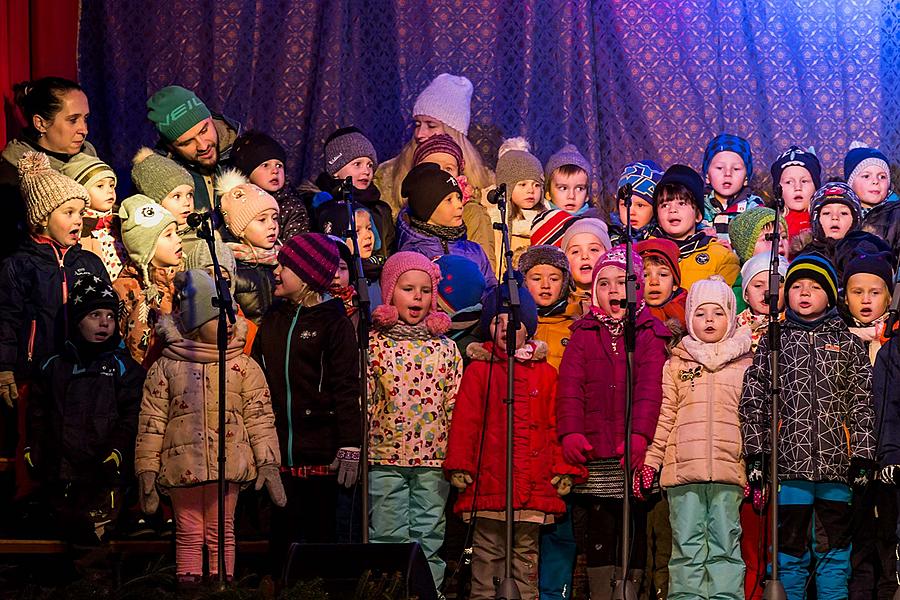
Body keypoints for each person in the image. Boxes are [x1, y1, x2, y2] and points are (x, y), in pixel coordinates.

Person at [740, 253, 875, 600]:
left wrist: (862, 455)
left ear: (830, 295)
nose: (804, 293)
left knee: (833, 549)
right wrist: (758, 454)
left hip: (836, 467)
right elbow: (755, 400)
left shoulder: (847, 344)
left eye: (814, 287)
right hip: (789, 466)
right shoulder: (774, 341)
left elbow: (861, 402)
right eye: (796, 286)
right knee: (790, 549)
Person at [135, 269, 284, 586]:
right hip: (182, 466)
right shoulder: (166, 366)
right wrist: (146, 471)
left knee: (221, 528)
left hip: (227, 463)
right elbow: (151, 423)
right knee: (188, 529)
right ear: (194, 324)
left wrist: (268, 462)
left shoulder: (242, 365)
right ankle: (189, 585)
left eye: (230, 316)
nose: (228, 324)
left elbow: (259, 417)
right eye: (218, 318)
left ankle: (223, 585)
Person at [444, 280, 579, 600]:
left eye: (514, 322)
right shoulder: (479, 371)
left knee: (525, 557)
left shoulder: (546, 373)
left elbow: (553, 423)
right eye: (497, 321)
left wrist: (562, 467)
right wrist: (461, 464)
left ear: (528, 328)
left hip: (532, 483)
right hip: (489, 485)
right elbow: (466, 422)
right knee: (487, 556)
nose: (506, 328)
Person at [556, 245, 670, 598]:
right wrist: (570, 431)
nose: (613, 291)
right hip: (595, 452)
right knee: (600, 530)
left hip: (630, 454)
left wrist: (639, 435)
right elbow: (570, 388)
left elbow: (651, 388)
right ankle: (603, 591)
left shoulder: (650, 332)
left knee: (632, 527)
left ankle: (629, 590)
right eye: (603, 284)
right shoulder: (584, 333)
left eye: (621, 283)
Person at [251, 234, 361, 577]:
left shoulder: (334, 323)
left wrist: (350, 443)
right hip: (278, 450)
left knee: (319, 539)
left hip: (320, 456)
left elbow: (346, 386)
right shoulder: (275, 317)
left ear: (309, 275)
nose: (276, 271)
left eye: (285, 266)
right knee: (280, 541)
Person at [638, 276, 752, 600]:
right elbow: (665, 416)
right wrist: (652, 461)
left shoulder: (745, 363)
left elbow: (753, 422)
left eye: (717, 313)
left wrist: (758, 468)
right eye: (701, 314)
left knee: (725, 545)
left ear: (730, 316)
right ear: (689, 319)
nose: (709, 321)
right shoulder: (676, 363)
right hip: (683, 474)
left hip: (729, 473)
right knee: (686, 546)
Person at [367, 252, 462, 590]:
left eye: (425, 290)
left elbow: (454, 402)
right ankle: (389, 592)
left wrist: (457, 454)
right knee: (387, 531)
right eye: (408, 288)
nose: (418, 297)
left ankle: (427, 591)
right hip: (384, 454)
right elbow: (365, 399)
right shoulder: (374, 345)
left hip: (434, 457)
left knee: (429, 532)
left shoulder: (446, 349)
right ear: (390, 292)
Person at [24, 273, 144, 542]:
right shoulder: (54, 365)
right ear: (78, 321)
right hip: (61, 471)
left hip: (105, 470)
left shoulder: (123, 368)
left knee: (97, 541)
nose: (104, 323)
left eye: (111, 316)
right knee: (65, 537)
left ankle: (98, 583)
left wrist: (117, 450)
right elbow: (39, 412)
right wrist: (34, 446)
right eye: (95, 315)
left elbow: (132, 415)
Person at [0, 152, 108, 409]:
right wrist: (4, 369)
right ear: (42, 218)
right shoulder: (19, 265)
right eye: (68, 212)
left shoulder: (89, 263)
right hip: (35, 376)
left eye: (81, 212)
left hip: (84, 372)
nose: (78, 220)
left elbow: (109, 312)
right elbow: (6, 321)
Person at [375, 73, 493, 219]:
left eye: (431, 126)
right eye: (417, 124)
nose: (419, 134)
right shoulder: (387, 175)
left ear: (454, 132)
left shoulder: (485, 181)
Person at [0, 77, 96, 258]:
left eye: (85, 119)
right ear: (41, 123)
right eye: (73, 120)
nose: (84, 129)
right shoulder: (12, 174)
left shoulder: (88, 154)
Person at [396, 161, 496, 285]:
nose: (459, 205)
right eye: (449, 200)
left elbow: (490, 288)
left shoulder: (474, 251)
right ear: (427, 208)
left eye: (458, 198)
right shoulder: (413, 255)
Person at [146, 85, 241, 213]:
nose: (203, 146)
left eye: (204, 131)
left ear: (211, 119)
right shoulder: (157, 178)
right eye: (187, 142)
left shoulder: (245, 153)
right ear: (170, 147)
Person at [113, 196, 182, 365]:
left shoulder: (182, 282)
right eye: (168, 235)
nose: (178, 239)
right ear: (146, 247)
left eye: (177, 233)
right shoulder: (124, 289)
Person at [412, 132, 495, 271]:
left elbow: (485, 269)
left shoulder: (471, 212)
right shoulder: (408, 214)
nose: (441, 174)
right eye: (432, 168)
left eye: (448, 169)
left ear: (459, 172)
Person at [653, 164, 740, 290]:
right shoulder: (644, 253)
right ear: (658, 219)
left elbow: (729, 303)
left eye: (681, 203)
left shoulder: (721, 256)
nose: (672, 210)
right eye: (665, 205)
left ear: (698, 215)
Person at [217, 170, 281, 324]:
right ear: (241, 228)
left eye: (275, 218)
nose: (272, 226)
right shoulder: (228, 266)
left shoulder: (282, 261)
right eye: (262, 220)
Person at [229, 130, 310, 241]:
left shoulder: (291, 206)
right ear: (247, 174)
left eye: (279, 165)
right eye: (265, 165)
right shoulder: (235, 201)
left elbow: (296, 248)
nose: (275, 171)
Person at [60, 154, 128, 280]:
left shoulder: (121, 220)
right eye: (100, 186)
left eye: (111, 185)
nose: (109, 191)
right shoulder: (77, 227)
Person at [487, 137, 547, 269]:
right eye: (523, 184)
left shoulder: (548, 222)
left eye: (536, 185)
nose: (531, 190)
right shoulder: (494, 222)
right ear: (506, 187)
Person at [700, 133, 764, 241]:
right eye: (720, 168)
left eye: (736, 169)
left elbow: (760, 243)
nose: (728, 173)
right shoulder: (699, 206)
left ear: (746, 178)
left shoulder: (754, 207)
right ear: (707, 176)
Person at [735, 252, 788, 352]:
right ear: (746, 293)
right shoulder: (734, 327)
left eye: (775, 286)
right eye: (758, 286)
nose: (767, 291)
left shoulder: (792, 326)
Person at [636, 238, 687, 332]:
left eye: (663, 274)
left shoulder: (689, 313)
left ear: (675, 284)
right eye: (645, 275)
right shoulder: (629, 316)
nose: (654, 282)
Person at [770, 146, 821, 239]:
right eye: (789, 182)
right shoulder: (772, 224)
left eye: (804, 181)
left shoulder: (824, 221)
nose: (798, 187)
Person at [609, 160, 664, 246]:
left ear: (654, 208)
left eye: (640, 205)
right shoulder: (607, 239)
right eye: (625, 204)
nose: (631, 212)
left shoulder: (661, 240)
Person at [844, 144, 896, 217]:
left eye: (882, 177)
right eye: (866, 176)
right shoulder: (840, 214)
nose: (876, 181)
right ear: (850, 183)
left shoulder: (896, 214)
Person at [544, 144, 594, 216]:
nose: (571, 196)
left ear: (587, 195)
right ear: (548, 194)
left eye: (579, 189)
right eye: (563, 188)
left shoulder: (595, 221)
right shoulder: (541, 221)